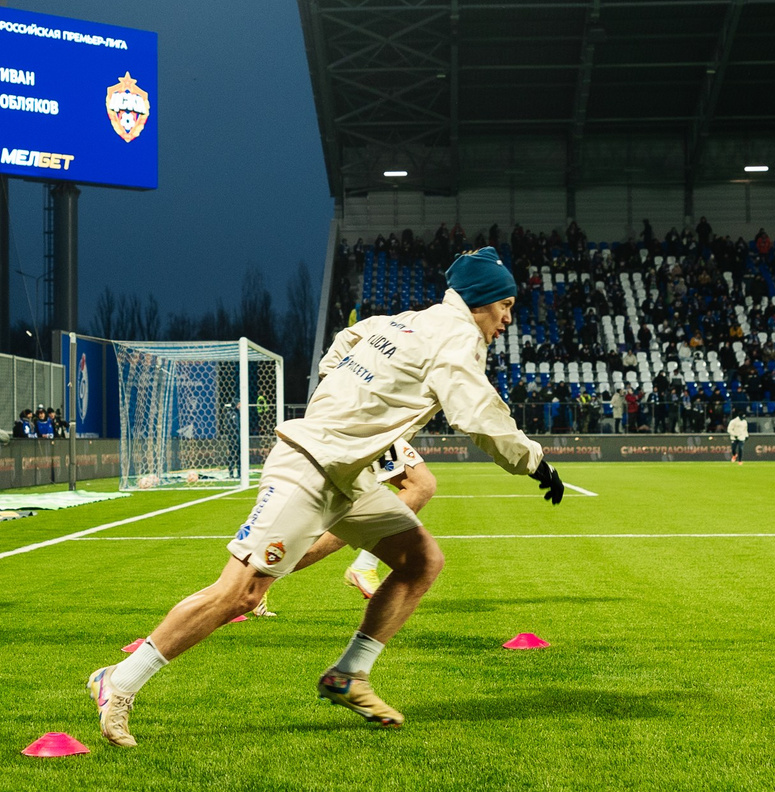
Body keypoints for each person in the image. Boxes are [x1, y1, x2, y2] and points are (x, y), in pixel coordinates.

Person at [87, 247, 559, 748]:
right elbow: (477, 414)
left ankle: (349, 675)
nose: (508, 318)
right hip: (309, 471)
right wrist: (535, 462)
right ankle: (117, 680)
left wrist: (342, 398)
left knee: (421, 561)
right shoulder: (458, 336)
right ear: (480, 300)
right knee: (240, 594)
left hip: (348, 475)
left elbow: (343, 343)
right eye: (504, 305)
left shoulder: (400, 321)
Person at [285, 438, 439, 600]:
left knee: (417, 486)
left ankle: (265, 573)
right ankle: (264, 573)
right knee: (420, 485)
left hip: (375, 425)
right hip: (366, 425)